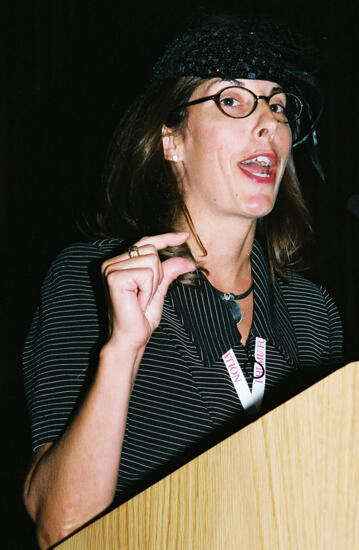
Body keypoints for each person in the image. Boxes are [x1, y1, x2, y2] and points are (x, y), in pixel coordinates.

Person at [22, 13, 343, 549]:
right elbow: (61, 527)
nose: (268, 122)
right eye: (234, 101)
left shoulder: (313, 315)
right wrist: (123, 348)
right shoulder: (94, 280)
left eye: (279, 105)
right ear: (171, 140)